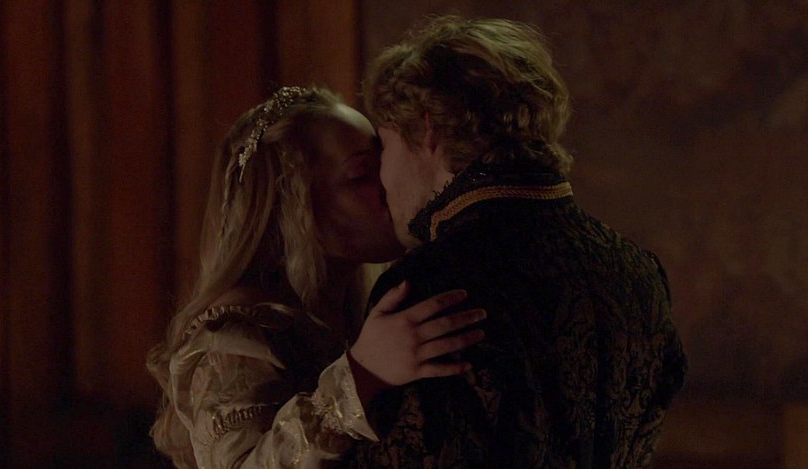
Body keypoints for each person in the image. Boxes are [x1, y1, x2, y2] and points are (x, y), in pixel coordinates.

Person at [348, 16, 688, 468]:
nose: (382, 177)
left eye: (385, 146)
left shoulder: (427, 285)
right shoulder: (639, 272)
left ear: (428, 129)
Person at [146, 86, 487, 468]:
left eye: (385, 159)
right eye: (362, 173)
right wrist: (360, 376)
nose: (389, 181)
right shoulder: (234, 335)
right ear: (296, 207)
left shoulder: (363, 304)